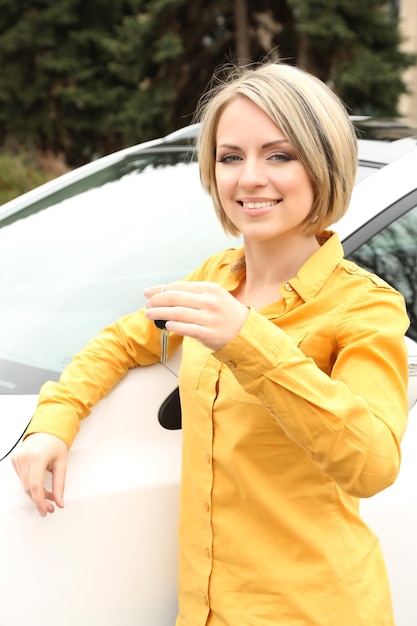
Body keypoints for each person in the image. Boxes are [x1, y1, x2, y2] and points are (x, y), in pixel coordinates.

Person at [12, 61, 409, 626]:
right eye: (230, 157)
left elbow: (372, 462)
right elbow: (122, 341)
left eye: (280, 155)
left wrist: (248, 339)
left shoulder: (364, 306)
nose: (249, 177)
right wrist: (54, 420)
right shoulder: (215, 279)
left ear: (323, 166)